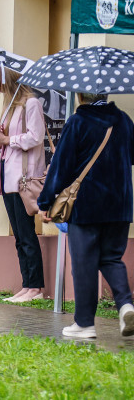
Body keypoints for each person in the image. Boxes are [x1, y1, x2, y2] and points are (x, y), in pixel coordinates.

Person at [38, 92, 134, 339]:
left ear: (80, 95)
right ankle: (126, 305)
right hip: (119, 206)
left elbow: (61, 166)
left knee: (84, 263)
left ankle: (84, 324)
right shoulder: (123, 120)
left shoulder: (77, 122)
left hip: (86, 206)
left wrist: (46, 201)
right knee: (112, 258)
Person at [0, 68, 46, 303]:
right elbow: (6, 145)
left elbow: (36, 136)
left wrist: (9, 139)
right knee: (18, 236)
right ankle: (27, 285)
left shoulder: (30, 103)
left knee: (26, 234)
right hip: (8, 175)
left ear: (10, 79)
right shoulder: (10, 106)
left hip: (23, 178)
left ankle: (35, 288)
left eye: (0, 79)